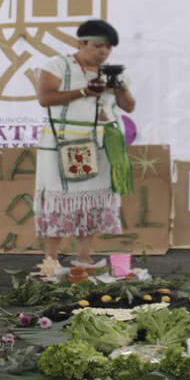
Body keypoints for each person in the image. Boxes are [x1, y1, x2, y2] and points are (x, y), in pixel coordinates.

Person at [33, 19, 136, 273]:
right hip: (61, 142)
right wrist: (83, 92)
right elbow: (45, 98)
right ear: (80, 43)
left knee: (94, 199)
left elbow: (129, 107)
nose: (103, 52)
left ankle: (84, 257)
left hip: (102, 143)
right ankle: (51, 261)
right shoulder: (56, 65)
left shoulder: (113, 72)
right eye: (98, 46)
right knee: (57, 199)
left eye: (108, 48)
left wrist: (118, 85)